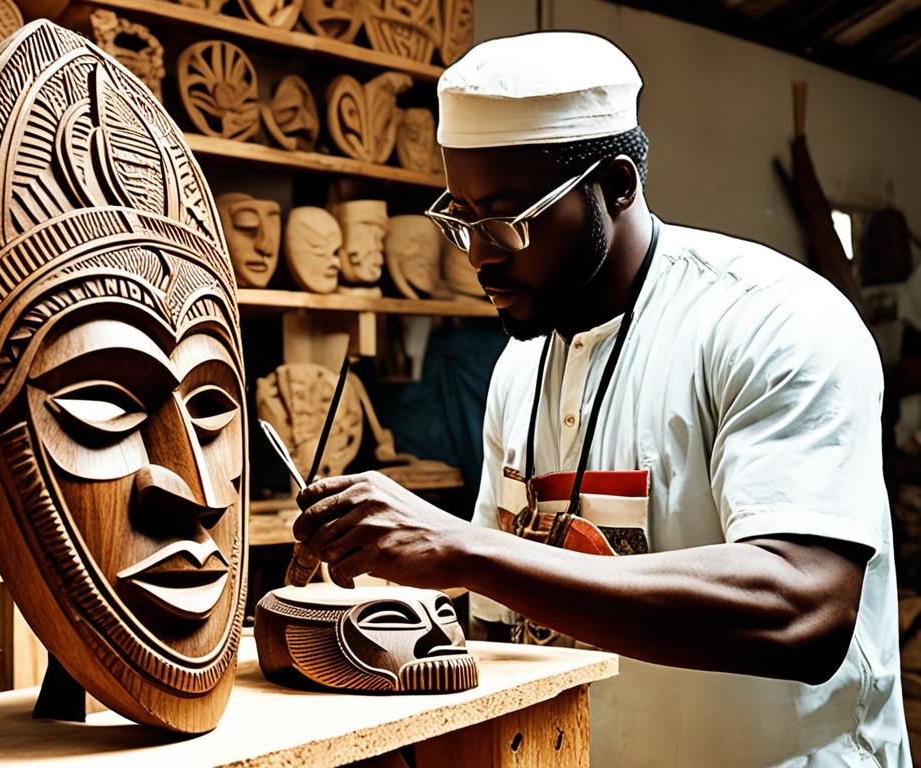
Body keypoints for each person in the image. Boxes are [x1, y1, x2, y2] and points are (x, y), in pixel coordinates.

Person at [293, 31, 909, 766]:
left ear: (616, 184)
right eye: (460, 219)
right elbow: (503, 634)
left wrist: (462, 548)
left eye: (508, 217)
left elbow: (804, 608)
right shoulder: (519, 371)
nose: (482, 254)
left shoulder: (772, 321)